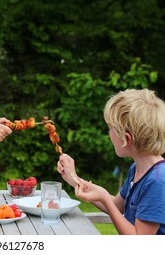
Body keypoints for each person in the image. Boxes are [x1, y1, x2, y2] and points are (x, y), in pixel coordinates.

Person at [57, 88, 165, 235]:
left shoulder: (157, 181)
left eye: (110, 129)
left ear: (127, 139)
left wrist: (104, 198)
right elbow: (116, 206)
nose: (109, 134)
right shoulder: (137, 168)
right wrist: (74, 179)